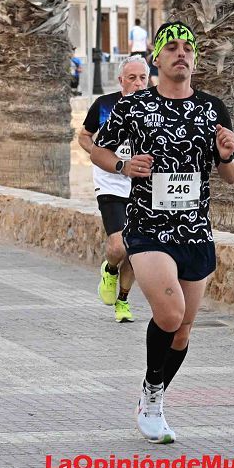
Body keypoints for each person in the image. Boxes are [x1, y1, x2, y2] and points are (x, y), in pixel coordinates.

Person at [92, 21, 234, 444]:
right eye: (171, 48)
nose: (180, 54)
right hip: (146, 227)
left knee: (183, 330)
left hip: (194, 229)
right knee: (170, 314)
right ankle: (154, 400)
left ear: (194, 57)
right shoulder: (134, 106)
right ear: (156, 58)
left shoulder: (213, 109)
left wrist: (228, 155)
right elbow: (98, 148)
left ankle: (149, 394)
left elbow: (231, 175)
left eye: (187, 48)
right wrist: (123, 166)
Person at [78, 57, 150, 324]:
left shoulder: (156, 108)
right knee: (119, 245)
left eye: (142, 77)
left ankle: (123, 300)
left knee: (135, 247)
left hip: (142, 185)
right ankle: (109, 269)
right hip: (110, 182)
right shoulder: (105, 105)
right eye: (132, 78)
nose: (138, 83)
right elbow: (84, 136)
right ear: (121, 81)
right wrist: (100, 156)